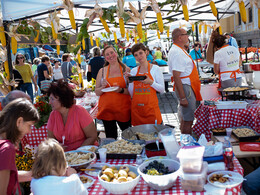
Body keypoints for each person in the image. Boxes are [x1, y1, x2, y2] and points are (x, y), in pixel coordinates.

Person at [0, 98, 39, 195]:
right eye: (29, 125)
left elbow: (8, 176)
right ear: (19, 121)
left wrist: (39, 174)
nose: (29, 131)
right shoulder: (7, 148)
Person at [168, 28, 202, 135]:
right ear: (179, 37)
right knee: (188, 119)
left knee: (185, 117)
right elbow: (176, 76)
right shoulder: (177, 52)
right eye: (186, 34)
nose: (188, 36)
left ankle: (185, 141)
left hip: (187, 86)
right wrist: (183, 97)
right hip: (186, 87)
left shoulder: (179, 49)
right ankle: (187, 143)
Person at [47, 80, 97, 151]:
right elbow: (50, 139)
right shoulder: (53, 115)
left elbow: (92, 136)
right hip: (64, 156)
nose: (49, 102)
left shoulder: (80, 112)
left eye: (52, 99)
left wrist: (78, 152)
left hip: (84, 154)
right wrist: (56, 145)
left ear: (62, 99)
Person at [95, 45, 131, 139]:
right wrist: (102, 87)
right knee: (111, 138)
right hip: (107, 110)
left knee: (127, 138)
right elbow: (97, 92)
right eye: (107, 54)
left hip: (123, 110)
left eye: (112, 52)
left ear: (116, 53)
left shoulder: (126, 70)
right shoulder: (102, 71)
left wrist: (121, 90)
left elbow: (131, 91)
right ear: (105, 57)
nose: (110, 55)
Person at [129, 43, 164, 126]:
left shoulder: (155, 69)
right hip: (137, 112)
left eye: (141, 53)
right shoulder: (133, 71)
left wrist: (151, 82)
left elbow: (162, 90)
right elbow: (131, 93)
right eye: (136, 55)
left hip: (151, 111)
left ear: (146, 52)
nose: (139, 57)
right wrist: (130, 82)